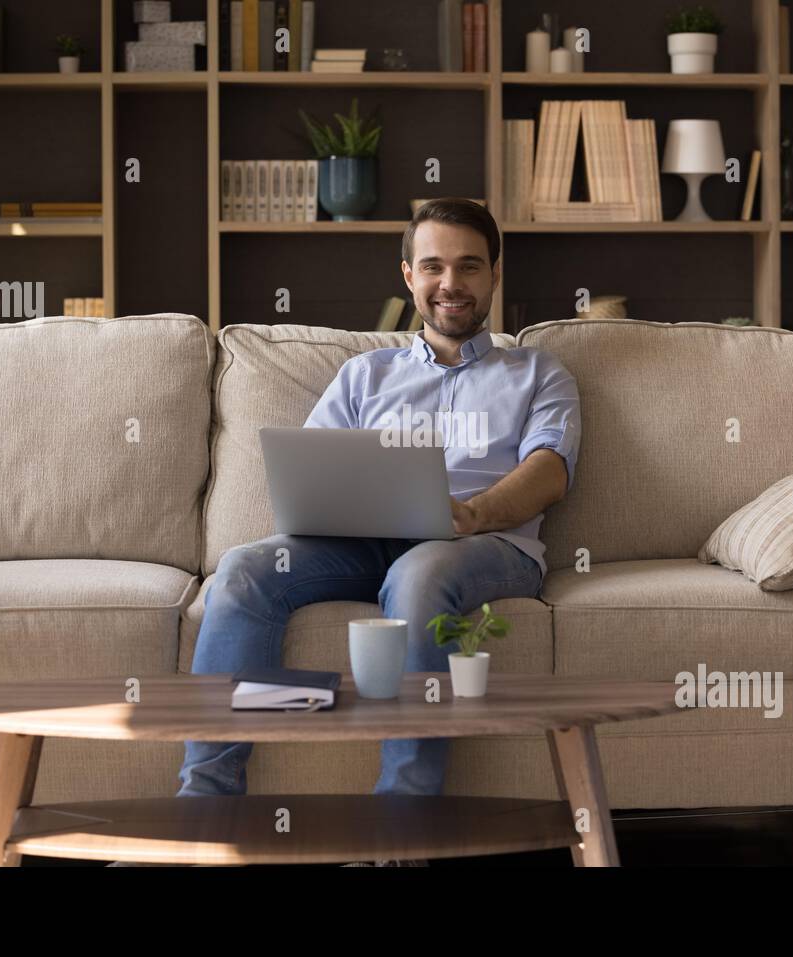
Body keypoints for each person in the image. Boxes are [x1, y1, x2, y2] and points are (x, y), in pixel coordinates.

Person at [177, 197, 581, 867]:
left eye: (468, 266)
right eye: (434, 267)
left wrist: (472, 512)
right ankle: (205, 813)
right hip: (366, 541)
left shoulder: (540, 372)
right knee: (246, 569)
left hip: (488, 547)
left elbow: (549, 471)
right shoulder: (366, 373)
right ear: (408, 276)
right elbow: (309, 471)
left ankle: (401, 833)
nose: (451, 283)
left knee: (419, 574)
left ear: (494, 275)